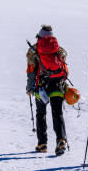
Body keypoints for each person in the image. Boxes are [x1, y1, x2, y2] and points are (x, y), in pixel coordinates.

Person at [26, 25, 69, 156]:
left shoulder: (34, 49)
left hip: (41, 85)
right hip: (57, 84)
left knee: (41, 114)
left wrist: (29, 87)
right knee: (57, 113)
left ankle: (42, 144)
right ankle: (61, 140)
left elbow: (31, 71)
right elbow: (64, 67)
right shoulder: (58, 48)